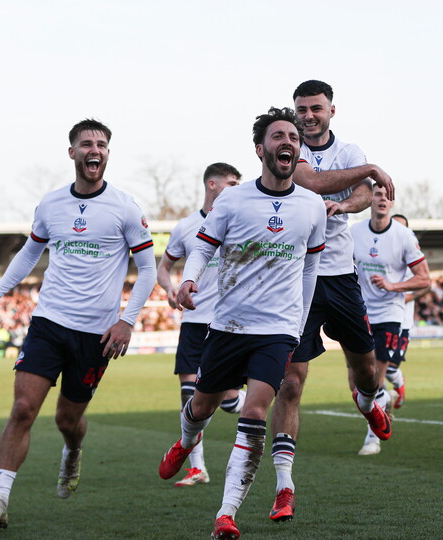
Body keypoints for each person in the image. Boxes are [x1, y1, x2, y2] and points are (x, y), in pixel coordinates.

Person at [0, 119, 157, 528]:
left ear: (107, 154)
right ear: (72, 152)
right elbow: (28, 253)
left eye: (103, 145)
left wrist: (127, 321)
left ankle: (73, 451)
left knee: (67, 421)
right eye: (87, 144)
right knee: (23, 408)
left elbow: (147, 269)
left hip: (96, 335)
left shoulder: (125, 207)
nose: (95, 150)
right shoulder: (51, 203)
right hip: (49, 323)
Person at [156, 107, 326, 540]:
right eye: (277, 135)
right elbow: (204, 248)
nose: (287, 140)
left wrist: (299, 324)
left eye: (293, 135)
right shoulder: (232, 200)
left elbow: (310, 270)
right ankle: (186, 440)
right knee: (201, 407)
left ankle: (225, 514)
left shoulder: (311, 206)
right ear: (260, 149)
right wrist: (189, 279)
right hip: (229, 325)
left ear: (298, 148)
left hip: (277, 331)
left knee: (253, 412)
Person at [269, 79, 397, 521]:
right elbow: (313, 180)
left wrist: (348, 203)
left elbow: (362, 195)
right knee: (290, 382)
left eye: (315, 108)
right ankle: (284, 486)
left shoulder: (349, 150)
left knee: (364, 369)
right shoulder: (288, 149)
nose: (307, 115)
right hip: (295, 277)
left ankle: (367, 403)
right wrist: (367, 172)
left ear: (332, 111)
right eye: (301, 108)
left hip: (341, 277)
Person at [156, 162, 245, 487]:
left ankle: (269, 405)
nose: (237, 188)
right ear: (212, 184)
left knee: (231, 403)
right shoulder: (186, 226)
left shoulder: (243, 221)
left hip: (229, 323)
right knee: (188, 396)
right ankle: (198, 467)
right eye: (231, 183)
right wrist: (169, 290)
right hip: (194, 321)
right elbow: (163, 267)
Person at [351, 186, 430, 455]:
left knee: (375, 375)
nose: (382, 198)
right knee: (358, 383)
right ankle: (385, 398)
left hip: (389, 313)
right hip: (359, 311)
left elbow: (424, 279)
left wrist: (392, 286)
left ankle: (372, 438)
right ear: (369, 199)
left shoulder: (404, 236)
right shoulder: (354, 232)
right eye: (377, 194)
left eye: (388, 195)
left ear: (392, 202)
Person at [387, 213, 430, 409]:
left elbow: (426, 285)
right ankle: (380, 405)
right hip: (378, 319)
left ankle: (399, 385)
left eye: (402, 227)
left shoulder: (411, 254)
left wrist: (408, 297)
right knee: (371, 370)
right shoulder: (379, 252)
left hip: (402, 322)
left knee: (389, 368)